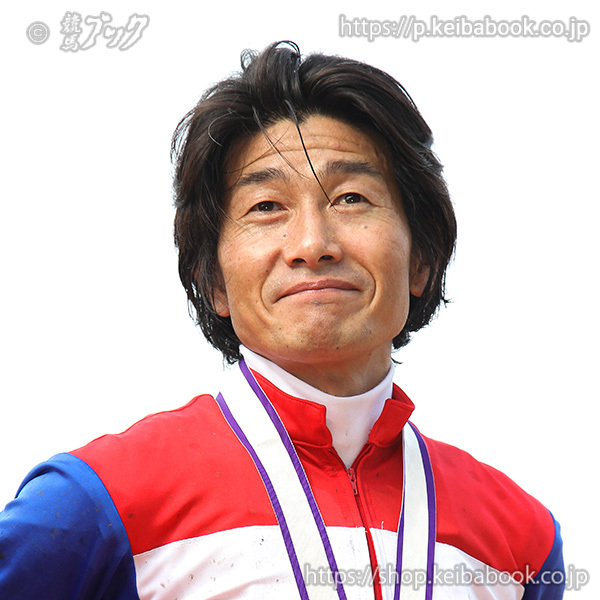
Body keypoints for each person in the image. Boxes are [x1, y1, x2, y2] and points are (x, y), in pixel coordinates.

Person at [0, 41, 563, 600]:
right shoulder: (97, 504)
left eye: (351, 198)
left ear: (421, 259)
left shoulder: (520, 541)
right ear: (213, 280)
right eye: (266, 207)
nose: (312, 245)